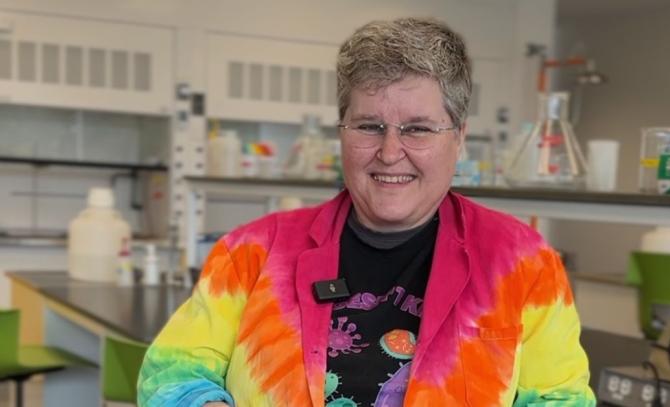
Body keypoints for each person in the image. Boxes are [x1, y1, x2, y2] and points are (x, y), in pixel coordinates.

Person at [138, 17, 595, 407]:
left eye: (418, 129)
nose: (390, 152)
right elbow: (171, 375)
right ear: (342, 131)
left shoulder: (522, 262)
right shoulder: (252, 253)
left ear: (458, 136)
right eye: (369, 126)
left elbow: (561, 398)